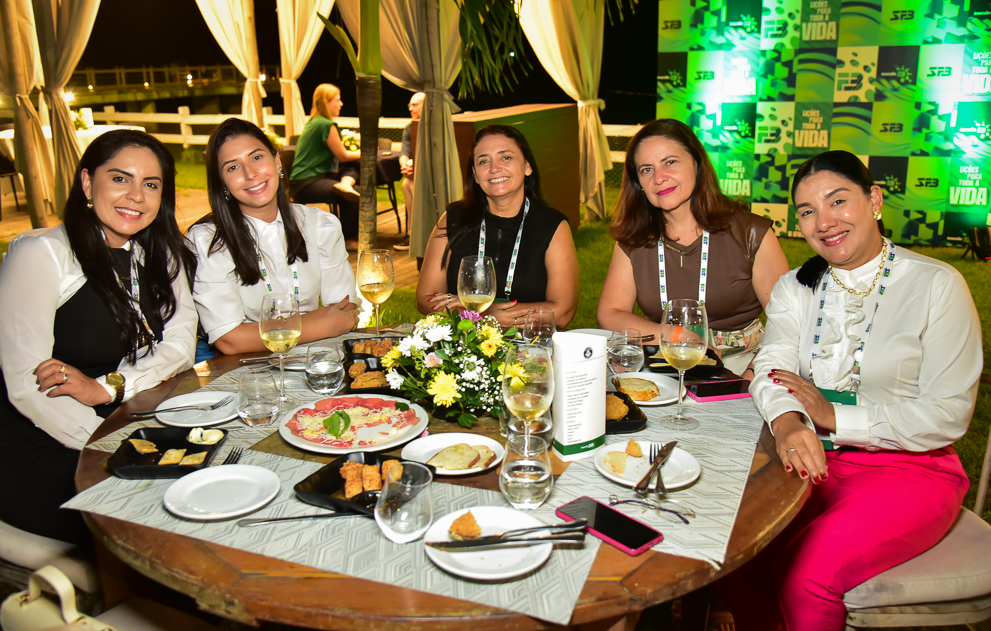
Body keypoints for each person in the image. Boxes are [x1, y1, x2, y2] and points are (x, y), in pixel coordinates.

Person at [720, 150, 981, 630]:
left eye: (838, 201)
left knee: (808, 577)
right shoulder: (797, 287)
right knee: (736, 554)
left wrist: (833, 416)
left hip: (912, 468)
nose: (824, 221)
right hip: (813, 461)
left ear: (874, 199)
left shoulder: (936, 285)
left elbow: (948, 414)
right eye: (807, 211)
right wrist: (787, 420)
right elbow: (772, 367)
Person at [0, 130, 198, 546]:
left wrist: (107, 389)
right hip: (40, 439)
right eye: (120, 178)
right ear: (87, 182)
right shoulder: (41, 254)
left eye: (151, 184)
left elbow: (180, 345)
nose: (136, 196)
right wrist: (122, 447)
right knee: (161, 515)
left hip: (117, 418)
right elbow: (27, 387)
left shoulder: (157, 255)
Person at [596, 119, 789, 377]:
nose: (659, 178)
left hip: (745, 365)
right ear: (638, 184)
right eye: (646, 169)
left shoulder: (750, 233)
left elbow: (787, 323)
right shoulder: (635, 239)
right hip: (668, 363)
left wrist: (754, 373)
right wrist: (678, 335)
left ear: (697, 164)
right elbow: (610, 313)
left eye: (670, 162)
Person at [189, 118, 359, 355]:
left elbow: (346, 310)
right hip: (247, 368)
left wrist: (256, 332)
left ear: (277, 160)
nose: (250, 174)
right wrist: (323, 323)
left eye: (257, 157)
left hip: (314, 357)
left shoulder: (321, 224)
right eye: (233, 167)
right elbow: (229, 340)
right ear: (222, 184)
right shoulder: (208, 240)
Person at [415, 124, 578, 328]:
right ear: (475, 175)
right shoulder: (453, 219)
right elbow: (425, 298)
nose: (494, 168)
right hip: (463, 346)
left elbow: (562, 311)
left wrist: (479, 310)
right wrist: (480, 315)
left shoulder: (552, 225)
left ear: (527, 166)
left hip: (530, 349)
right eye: (484, 161)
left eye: (506, 157)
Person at [289, 83, 362, 251]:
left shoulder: (314, 121)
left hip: (310, 179)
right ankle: (348, 239)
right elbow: (342, 155)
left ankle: (345, 183)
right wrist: (367, 152)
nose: (341, 104)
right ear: (327, 102)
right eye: (337, 100)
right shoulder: (325, 125)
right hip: (306, 182)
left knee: (350, 169)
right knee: (355, 191)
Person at [394, 92, 425, 252]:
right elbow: (404, 151)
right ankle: (413, 234)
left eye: (415, 104)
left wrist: (416, 164)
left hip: (430, 173)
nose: (410, 108)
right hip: (416, 173)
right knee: (407, 182)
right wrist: (406, 165)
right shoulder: (409, 128)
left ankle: (421, 233)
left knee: (412, 183)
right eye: (409, 105)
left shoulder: (436, 126)